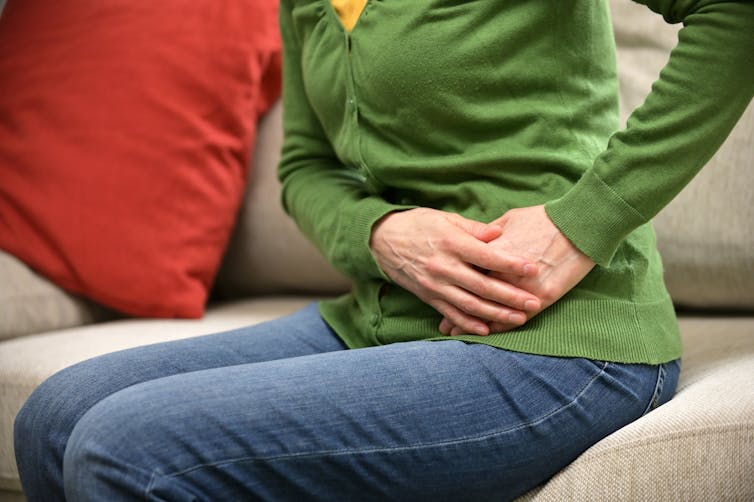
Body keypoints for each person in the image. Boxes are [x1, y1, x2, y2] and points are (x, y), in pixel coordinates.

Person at [14, 0, 753, 500]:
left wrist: (582, 224)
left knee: (123, 447)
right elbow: (304, 167)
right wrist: (381, 234)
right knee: (52, 415)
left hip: (558, 342)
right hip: (377, 313)